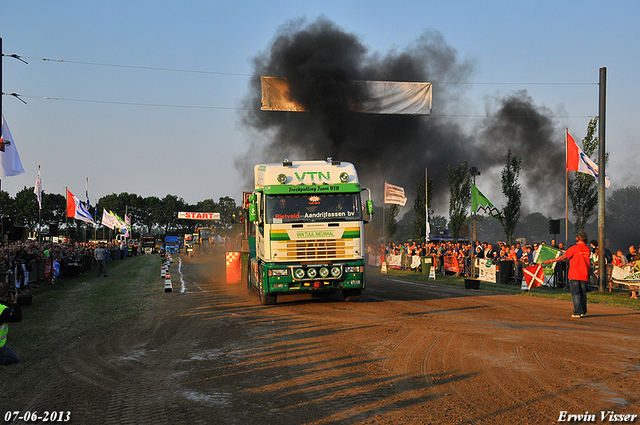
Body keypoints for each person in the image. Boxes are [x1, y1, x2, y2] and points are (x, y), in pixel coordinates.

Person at [544, 232, 591, 318]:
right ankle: (583, 311)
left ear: (577, 239)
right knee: (583, 294)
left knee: (575, 294)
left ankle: (577, 312)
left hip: (574, 274)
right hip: (584, 274)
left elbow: (563, 257)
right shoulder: (587, 249)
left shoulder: (574, 248)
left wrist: (551, 260)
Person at [0, 282, 22, 365]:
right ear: (6, 295)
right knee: (14, 358)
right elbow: (18, 317)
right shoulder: (4, 311)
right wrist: (15, 302)